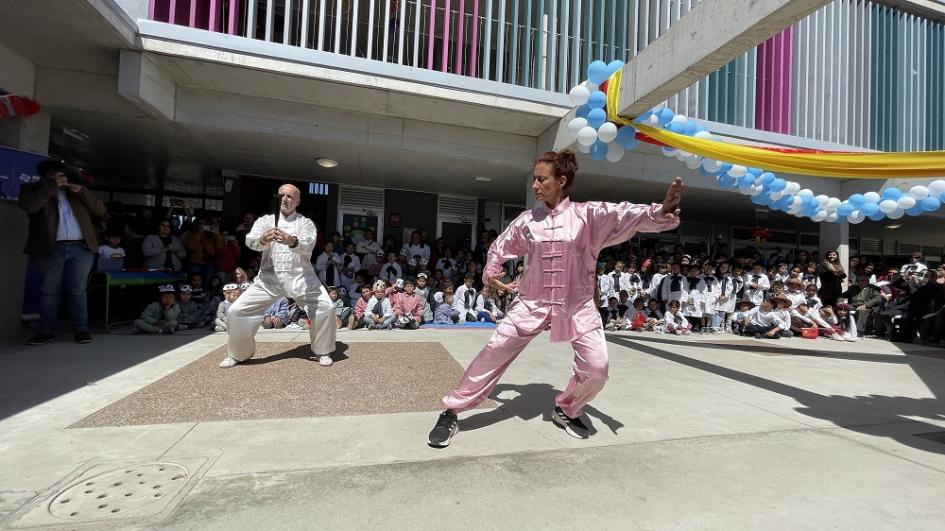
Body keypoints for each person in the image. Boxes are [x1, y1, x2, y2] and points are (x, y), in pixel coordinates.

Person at [427, 150, 683, 447]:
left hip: (578, 306)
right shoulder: (527, 221)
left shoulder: (589, 215)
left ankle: (567, 408)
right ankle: (452, 409)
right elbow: (500, 247)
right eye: (534, 179)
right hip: (531, 303)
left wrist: (660, 211)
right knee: (494, 350)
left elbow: (626, 214)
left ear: (561, 181)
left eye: (541, 179)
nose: (534, 185)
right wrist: (493, 271)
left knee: (597, 369)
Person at [218, 184, 337, 368]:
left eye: (290, 196)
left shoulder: (305, 223)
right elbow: (251, 241)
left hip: (302, 279)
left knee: (326, 307)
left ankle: (323, 350)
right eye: (281, 195)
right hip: (268, 280)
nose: (285, 199)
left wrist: (292, 241)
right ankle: (239, 353)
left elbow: (308, 244)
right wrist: (263, 239)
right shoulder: (265, 221)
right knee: (236, 311)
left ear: (297, 201)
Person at [19, 159, 107, 345]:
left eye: (62, 174)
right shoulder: (32, 189)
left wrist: (81, 191)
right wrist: (51, 187)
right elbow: (30, 206)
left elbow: (101, 210)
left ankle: (81, 330)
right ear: (46, 176)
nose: (61, 178)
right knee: (49, 290)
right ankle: (47, 331)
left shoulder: (76, 191)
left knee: (78, 290)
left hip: (81, 248)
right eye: (56, 175)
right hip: (50, 249)